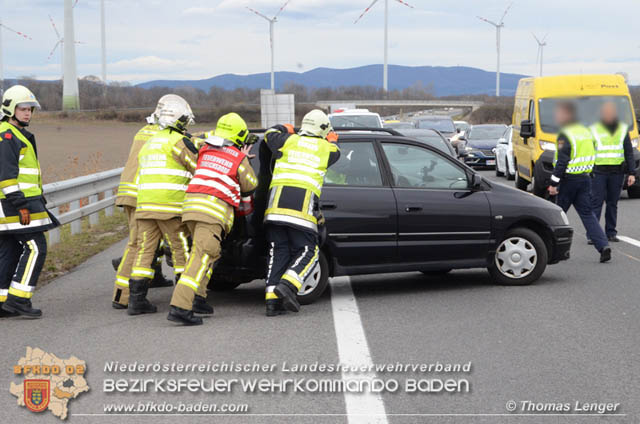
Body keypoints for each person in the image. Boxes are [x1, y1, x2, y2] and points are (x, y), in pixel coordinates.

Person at [168, 113, 258, 326]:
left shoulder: (205, 149)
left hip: (191, 209)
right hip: (212, 213)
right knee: (200, 257)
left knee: (209, 254)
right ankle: (180, 306)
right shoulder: (237, 157)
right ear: (239, 137)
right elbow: (251, 184)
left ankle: (198, 299)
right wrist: (243, 159)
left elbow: (195, 138)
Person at [261, 110, 340, 316]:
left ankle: (272, 303)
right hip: (300, 209)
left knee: (278, 252)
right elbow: (336, 150)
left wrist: (284, 127)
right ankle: (288, 285)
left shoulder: (286, 141)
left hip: (275, 208)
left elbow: (269, 134)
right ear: (323, 129)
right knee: (309, 252)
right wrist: (331, 138)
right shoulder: (326, 148)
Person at [126, 95, 199, 316]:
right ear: (180, 121)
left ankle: (136, 301)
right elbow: (197, 167)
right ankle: (184, 299)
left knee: (144, 250)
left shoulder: (150, 142)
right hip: (170, 207)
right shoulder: (178, 142)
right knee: (180, 250)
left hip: (145, 206)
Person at [111, 96, 176, 310]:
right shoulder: (163, 135)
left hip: (132, 192)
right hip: (143, 194)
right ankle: (123, 296)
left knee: (143, 243)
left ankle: (140, 284)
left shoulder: (144, 130)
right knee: (139, 244)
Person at [0, 85, 60, 318]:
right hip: (14, 204)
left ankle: (4, 302)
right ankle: (19, 299)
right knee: (36, 247)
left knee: (9, 250)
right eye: (23, 109)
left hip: (13, 204)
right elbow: (5, 176)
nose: (27, 114)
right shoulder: (7, 136)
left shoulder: (14, 134)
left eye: (30, 109)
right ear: (10, 109)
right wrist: (22, 205)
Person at [547, 101, 611, 263]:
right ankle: (603, 246)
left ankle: (546, 249)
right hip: (585, 178)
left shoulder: (565, 134)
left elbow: (562, 162)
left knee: (554, 215)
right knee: (588, 214)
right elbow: (594, 152)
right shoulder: (586, 132)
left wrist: (554, 183)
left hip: (568, 181)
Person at [589, 101, 636, 242]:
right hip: (599, 171)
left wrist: (632, 173)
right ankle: (594, 234)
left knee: (612, 203)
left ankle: (611, 232)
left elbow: (629, 152)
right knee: (596, 203)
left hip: (617, 172)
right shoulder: (594, 128)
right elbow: (589, 151)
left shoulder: (622, 129)